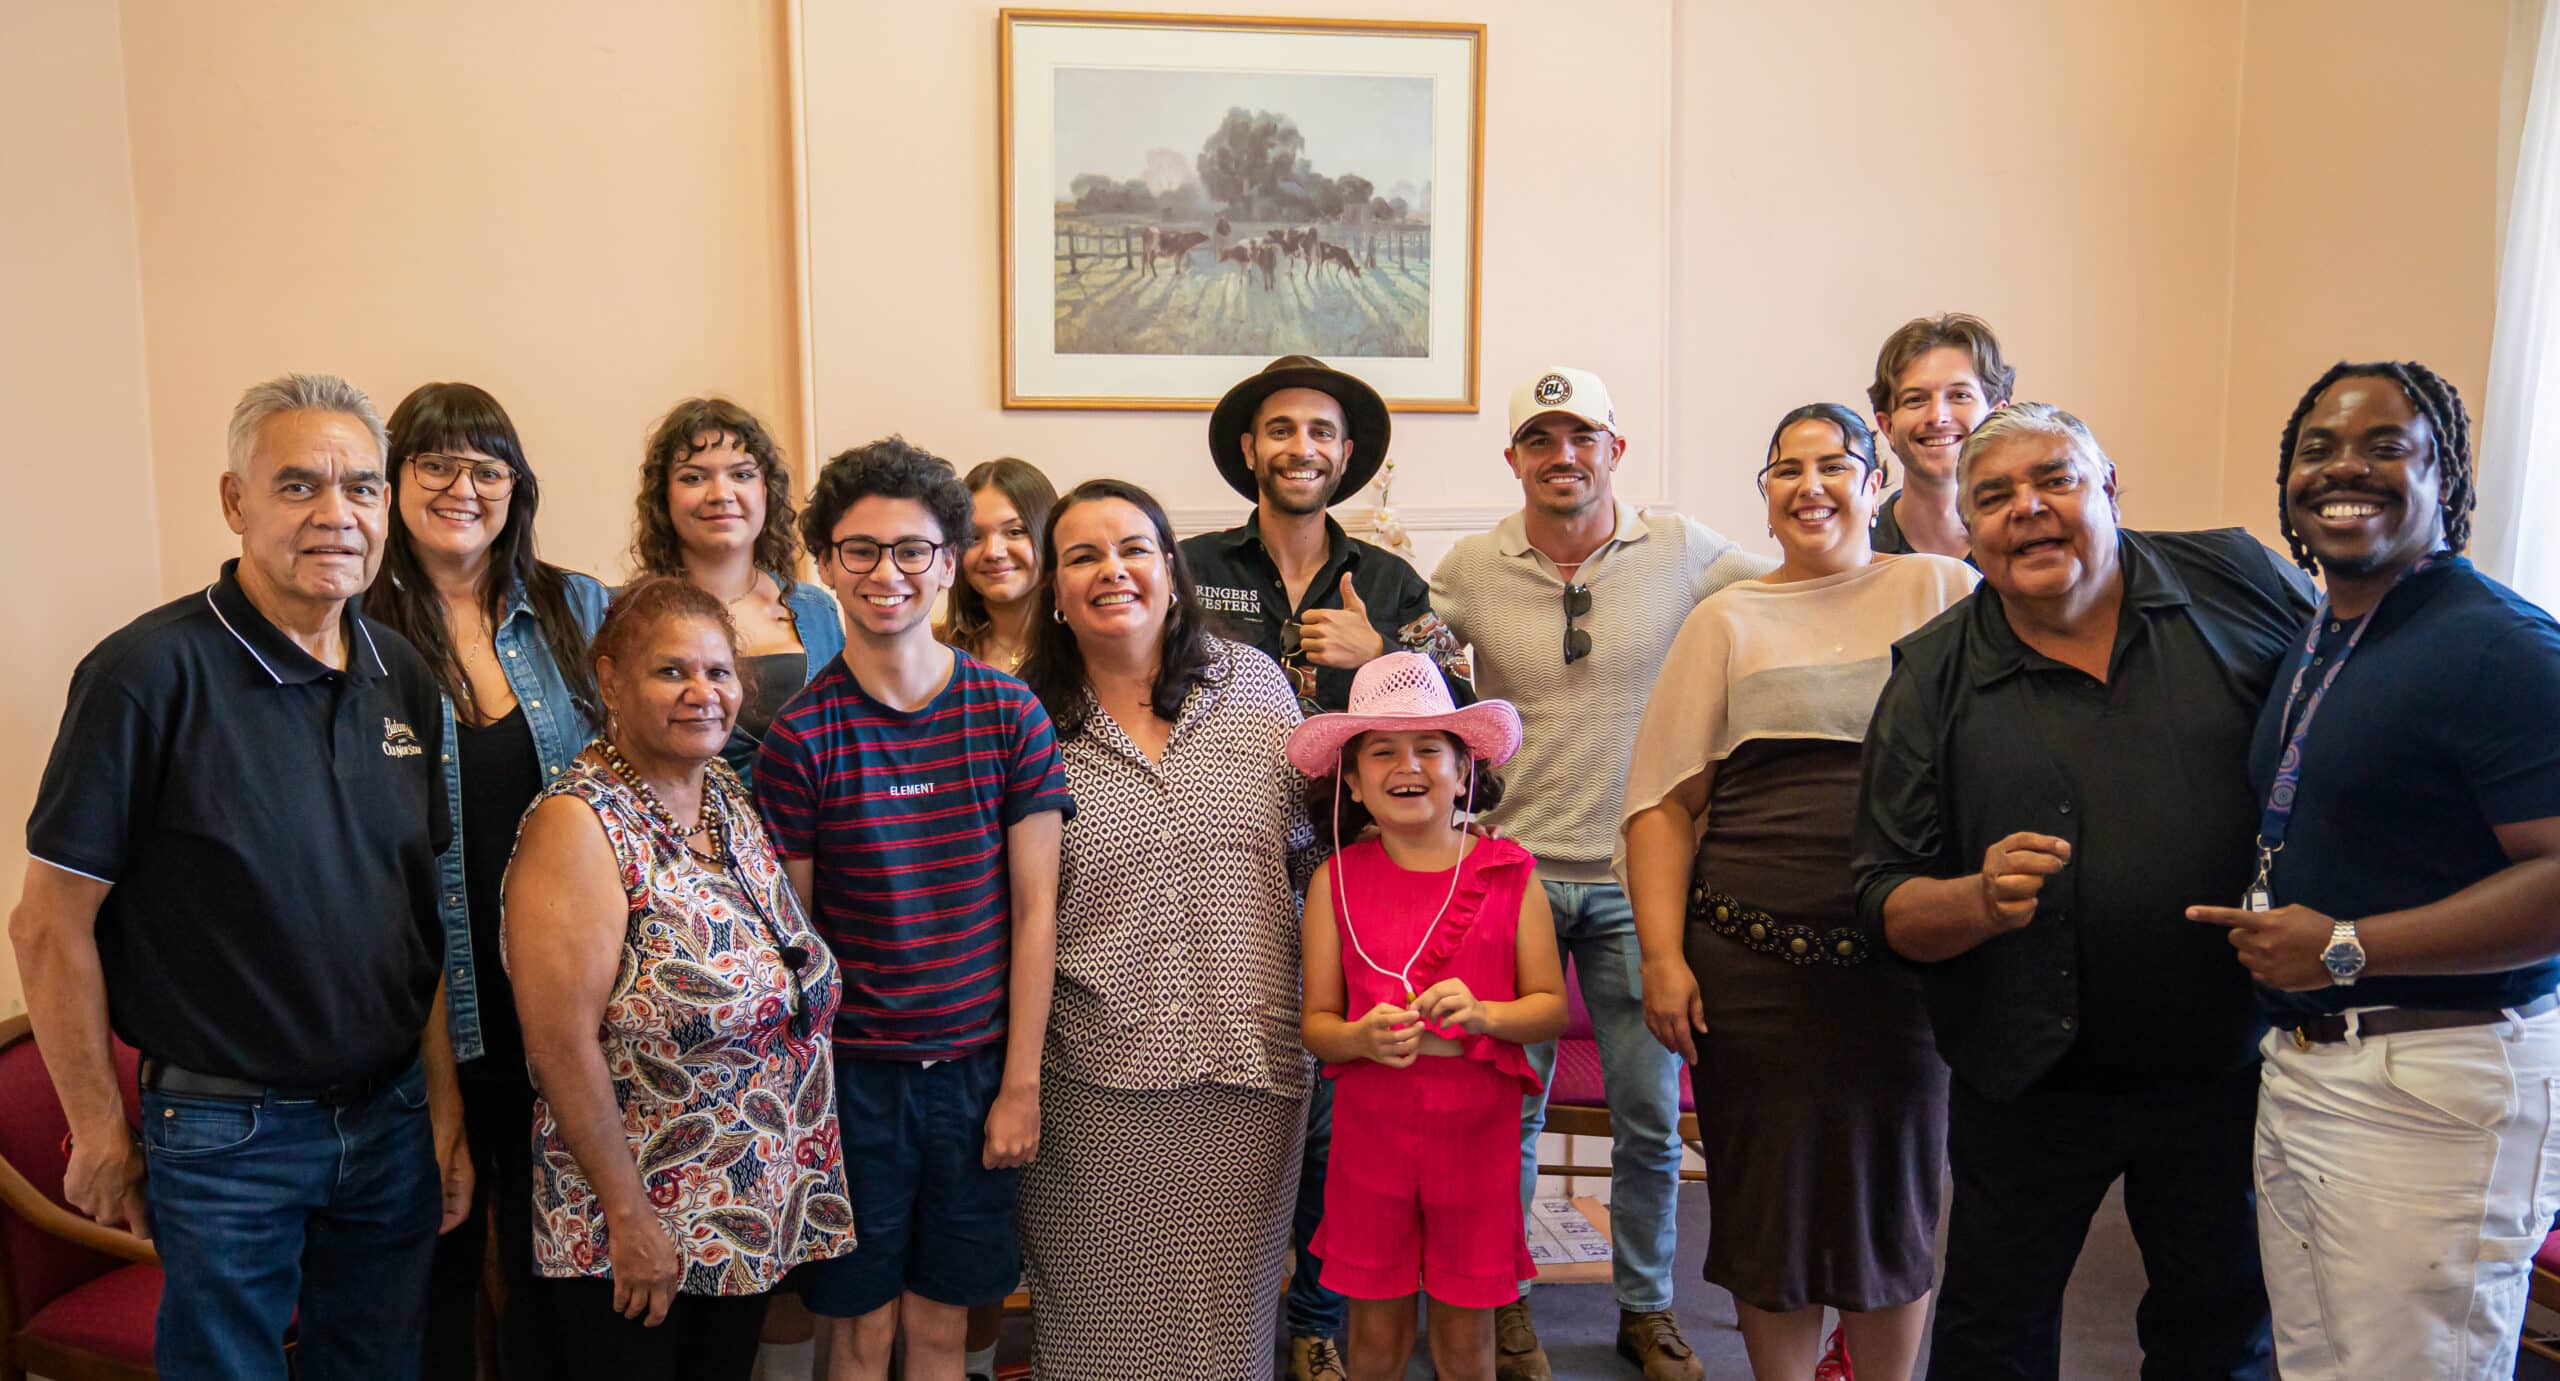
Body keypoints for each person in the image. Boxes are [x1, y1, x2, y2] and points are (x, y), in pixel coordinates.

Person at [12, 373, 467, 1381]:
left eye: (361, 487)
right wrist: (96, 1128)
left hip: (387, 1122)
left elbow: (417, 915)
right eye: (298, 485)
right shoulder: (146, 675)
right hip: (228, 1132)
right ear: (235, 501)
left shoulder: (404, 673)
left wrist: (439, 1109)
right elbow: (48, 925)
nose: (335, 514)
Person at [1854, 403, 2312, 1380]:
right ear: (1968, 533)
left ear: (2109, 488)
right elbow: (1884, 901)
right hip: (2024, 1077)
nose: (2027, 508)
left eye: (2053, 480)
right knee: (1991, 1339)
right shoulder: (1929, 677)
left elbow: (2349, 721)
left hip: (2222, 1061)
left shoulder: (2238, 581)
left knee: (2220, 1330)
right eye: (1995, 496)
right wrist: (1975, 899)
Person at [2182, 362, 2560, 1380]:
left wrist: (2347, 946)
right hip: (2310, 1065)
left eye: (2385, 444)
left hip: (2435, 1082)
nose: (2344, 467)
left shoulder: (2501, 648)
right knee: (2315, 1364)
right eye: (2318, 447)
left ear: (2446, 476)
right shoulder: (2327, 633)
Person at [1621, 404, 1975, 1381]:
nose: (1809, 484)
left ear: (1875, 482)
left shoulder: (1943, 589)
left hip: (1904, 976)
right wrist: (1661, 957)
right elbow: (1662, 805)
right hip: (1751, 974)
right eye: (1786, 469)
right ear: (1765, 496)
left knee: (1894, 1199)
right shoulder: (1724, 619)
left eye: (1833, 464)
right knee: (1765, 1202)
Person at [1430, 366, 1768, 1381]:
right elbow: (1410, 644)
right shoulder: (1471, 564)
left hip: (1639, 879)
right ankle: (1505, 1307)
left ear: (1614, 450)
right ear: (1514, 461)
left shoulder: (1682, 548)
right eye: (1540, 440)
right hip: (1515, 875)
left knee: (1650, 1115)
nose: (1561, 456)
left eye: (1581, 438)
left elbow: (1799, 581)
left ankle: (1647, 1307)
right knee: (1508, 1117)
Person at [756, 438, 1073, 1381]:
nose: (886, 572)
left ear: (947, 561)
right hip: (856, 1085)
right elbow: (797, 950)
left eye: (911, 549)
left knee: (944, 1325)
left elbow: (1035, 913)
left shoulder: (1010, 715)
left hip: (977, 1075)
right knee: (859, 1330)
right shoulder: (800, 738)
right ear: (824, 564)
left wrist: (1020, 1082)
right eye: (860, 549)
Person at [1182, 352, 1470, 1381]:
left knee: (1339, 1118)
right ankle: (1217, 1308)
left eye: (1320, 432)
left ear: (1347, 456)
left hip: (1359, 883)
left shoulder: (1390, 581)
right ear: (1249, 450)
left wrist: (1378, 643)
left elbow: (1459, 724)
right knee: (1234, 1101)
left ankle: (1311, 1317)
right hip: (1223, 874)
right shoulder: (1188, 564)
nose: (1300, 447)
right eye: (1280, 429)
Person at [503, 577, 853, 1381]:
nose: (703, 693)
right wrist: (630, 1220)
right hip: (632, 1230)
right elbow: (558, 1047)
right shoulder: (579, 823)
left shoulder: (724, 798)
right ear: (609, 679)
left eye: (719, 672)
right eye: (671, 672)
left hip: (738, 1214)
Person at [1014, 479, 1315, 1380]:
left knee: (1228, 1341)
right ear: (1056, 594)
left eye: (1134, 548)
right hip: (1091, 1085)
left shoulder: (1255, 686)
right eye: (1082, 557)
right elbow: (1012, 914)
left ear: (1173, 570)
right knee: (1093, 1339)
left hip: (1251, 1072)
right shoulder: (1022, 720)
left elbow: (1313, 859)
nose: (1113, 571)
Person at [372, 381, 609, 1380]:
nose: (461, 486)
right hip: (419, 995)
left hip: (568, 989)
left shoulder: (575, 605)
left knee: (559, 1256)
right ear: (391, 483)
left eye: (486, 467)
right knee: (439, 1248)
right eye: (434, 463)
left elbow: (636, 774)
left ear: (518, 486)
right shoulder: (358, 624)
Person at [1292, 653, 1565, 1381]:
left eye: (1427, 749)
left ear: (1463, 768)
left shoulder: (1511, 872)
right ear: (1351, 778)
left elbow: (1549, 1007)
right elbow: (1317, 1021)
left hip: (1476, 1127)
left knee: (1467, 1338)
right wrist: (1358, 1036)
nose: (1405, 765)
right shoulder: (1335, 879)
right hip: (1370, 1125)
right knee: (1374, 1336)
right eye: (1381, 750)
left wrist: (1485, 1013)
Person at [630, 396, 843, 785]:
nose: (720, 494)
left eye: (742, 474)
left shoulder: (816, 609)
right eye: (694, 478)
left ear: (767, 490)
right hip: (690, 838)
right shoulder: (631, 617)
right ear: (664, 498)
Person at [1864, 313, 2017, 560]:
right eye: (1915, 399)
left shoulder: (2027, 540)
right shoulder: (1858, 551)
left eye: (1960, 396)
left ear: (1997, 418)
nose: (1937, 417)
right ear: (1888, 427)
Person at [940, 456, 1059, 677]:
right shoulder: (937, 652)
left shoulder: (1087, 650)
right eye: (974, 537)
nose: (993, 552)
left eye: (1014, 532)